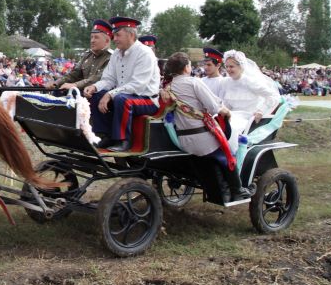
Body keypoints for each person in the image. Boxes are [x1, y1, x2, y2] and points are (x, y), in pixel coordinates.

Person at [162, 52, 251, 202]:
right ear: (186, 68)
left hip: (183, 140)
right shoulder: (193, 82)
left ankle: (221, 187)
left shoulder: (169, 86)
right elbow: (214, 106)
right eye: (190, 64)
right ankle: (237, 190)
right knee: (228, 154)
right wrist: (227, 113)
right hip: (202, 139)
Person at [84, 16, 160, 152]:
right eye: (114, 35)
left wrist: (110, 94)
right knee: (96, 95)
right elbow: (109, 79)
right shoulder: (116, 54)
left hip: (147, 99)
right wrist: (95, 87)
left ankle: (124, 140)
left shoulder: (145, 53)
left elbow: (138, 85)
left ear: (131, 35)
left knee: (121, 99)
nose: (114, 39)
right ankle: (105, 135)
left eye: (118, 35)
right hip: (125, 96)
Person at [222, 50, 281, 151]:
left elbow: (273, 96)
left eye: (231, 67)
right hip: (233, 115)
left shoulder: (250, 81)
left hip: (248, 117)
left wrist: (261, 111)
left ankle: (232, 156)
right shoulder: (227, 82)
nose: (228, 69)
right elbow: (227, 104)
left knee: (232, 128)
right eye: (226, 66)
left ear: (240, 67)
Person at [50, 19, 112, 92]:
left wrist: (75, 85)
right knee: (58, 91)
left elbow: (98, 78)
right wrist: (56, 83)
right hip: (83, 92)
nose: (92, 40)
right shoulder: (87, 55)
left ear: (107, 41)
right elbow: (74, 74)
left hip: (99, 93)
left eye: (96, 37)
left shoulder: (111, 57)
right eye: (91, 37)